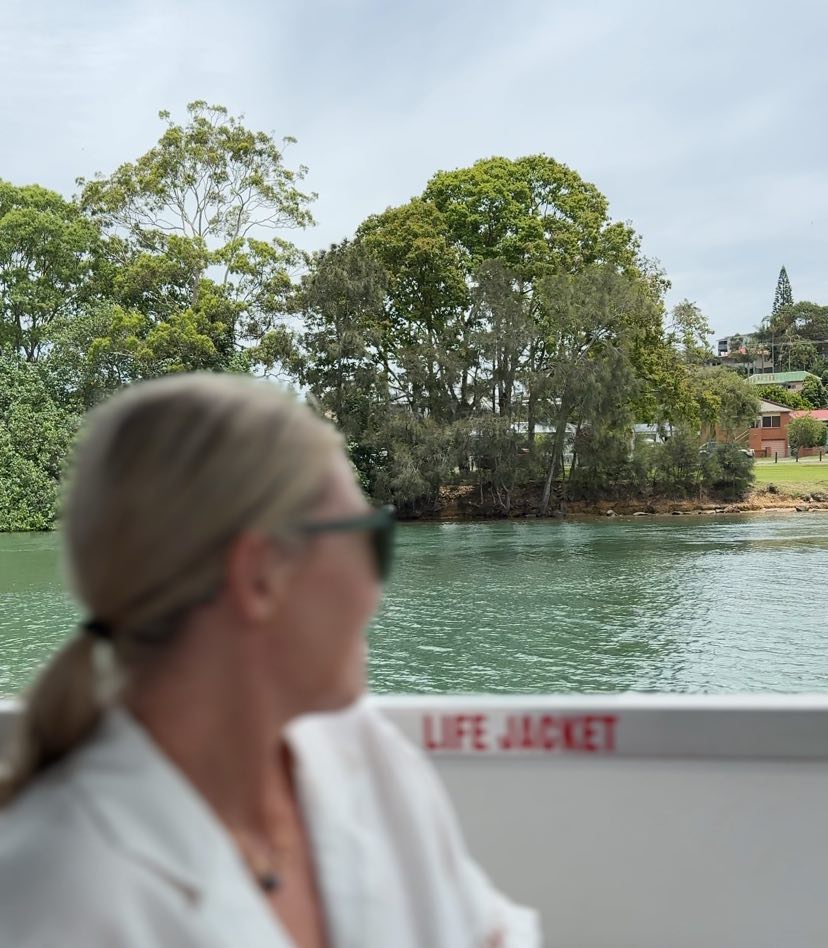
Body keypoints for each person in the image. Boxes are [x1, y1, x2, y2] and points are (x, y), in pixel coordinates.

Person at [0, 373, 539, 947]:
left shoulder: (367, 759)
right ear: (260, 575)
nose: (375, 592)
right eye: (370, 540)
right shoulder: (56, 897)